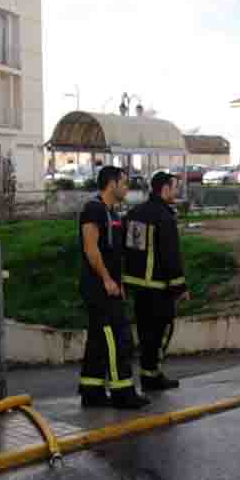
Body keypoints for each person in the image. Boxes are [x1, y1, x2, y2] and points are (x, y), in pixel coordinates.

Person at [77, 166, 148, 409]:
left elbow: (115, 254)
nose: (127, 187)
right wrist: (107, 279)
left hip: (111, 287)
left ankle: (92, 391)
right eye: (124, 183)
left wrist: (119, 282)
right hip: (99, 288)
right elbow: (91, 248)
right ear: (111, 183)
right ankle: (122, 392)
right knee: (117, 338)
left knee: (98, 339)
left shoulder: (113, 214)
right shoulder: (93, 210)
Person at [122, 171, 190, 391]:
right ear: (165, 189)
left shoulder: (136, 213)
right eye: (174, 187)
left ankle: (147, 375)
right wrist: (180, 287)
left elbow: (131, 248)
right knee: (162, 331)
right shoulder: (165, 216)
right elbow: (171, 255)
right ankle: (152, 375)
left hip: (138, 286)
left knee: (144, 332)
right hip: (159, 288)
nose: (176, 192)